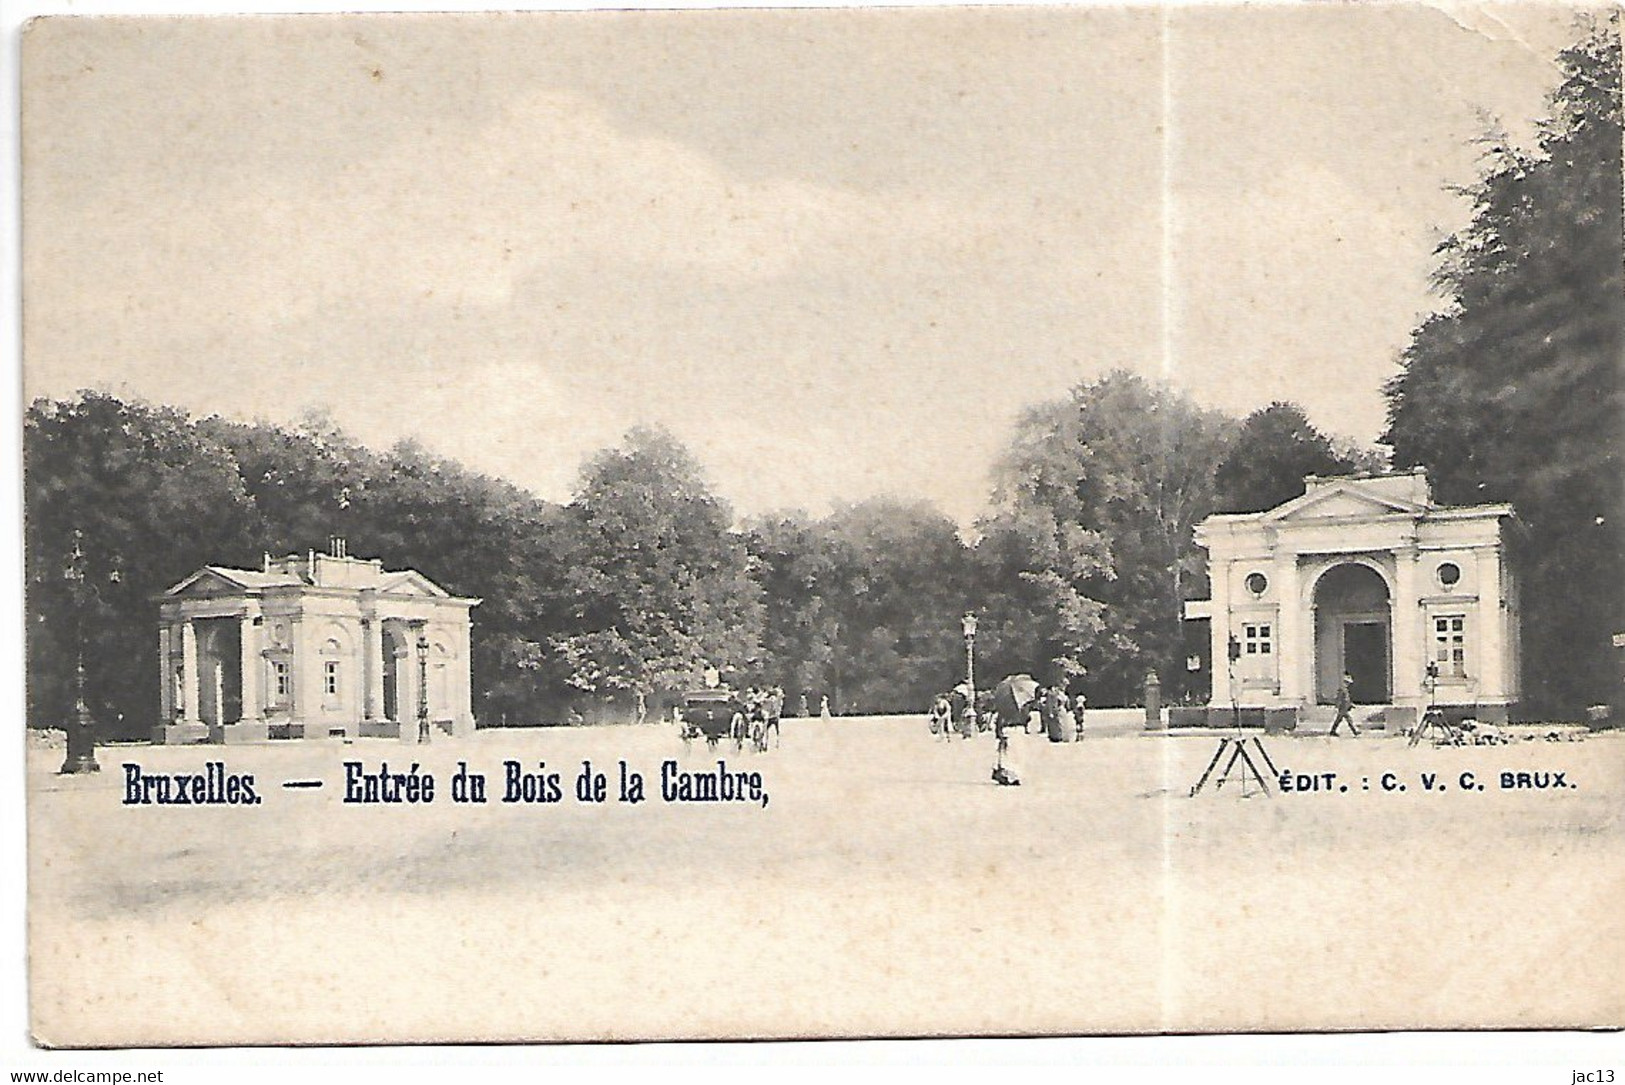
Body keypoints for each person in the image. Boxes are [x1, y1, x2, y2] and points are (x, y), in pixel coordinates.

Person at [1330, 672, 1358, 736]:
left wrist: (1350, 705)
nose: (1348, 684)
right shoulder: (1342, 690)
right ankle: (1355, 731)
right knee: (1348, 720)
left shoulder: (1345, 690)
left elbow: (1347, 699)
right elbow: (1339, 699)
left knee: (1339, 720)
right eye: (1347, 683)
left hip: (1345, 707)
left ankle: (1332, 731)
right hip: (1342, 708)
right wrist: (1337, 707)